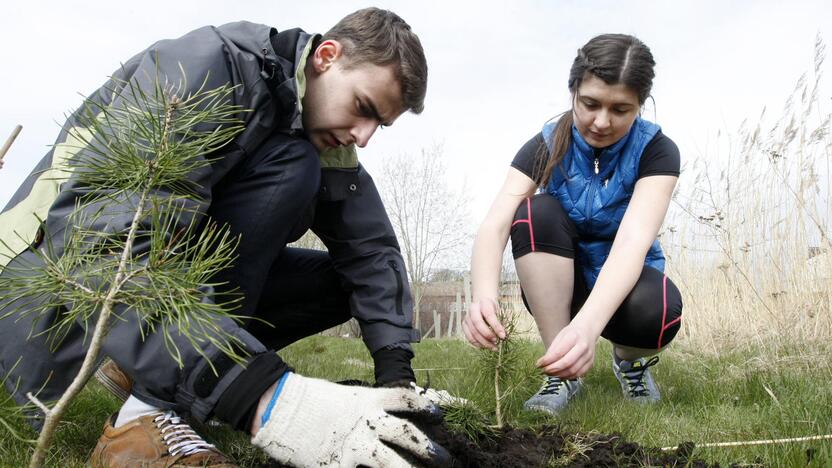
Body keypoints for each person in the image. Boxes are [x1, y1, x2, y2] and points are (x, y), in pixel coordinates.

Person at [0, 8, 451, 467]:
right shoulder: (205, 69)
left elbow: (371, 252)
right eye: (363, 108)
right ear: (326, 57)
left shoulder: (318, 134)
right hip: (39, 287)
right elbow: (102, 247)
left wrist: (397, 380)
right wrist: (263, 399)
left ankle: (151, 374)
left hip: (145, 284)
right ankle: (145, 416)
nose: (364, 136)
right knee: (294, 169)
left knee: (340, 277)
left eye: (381, 125)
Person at [465, 34, 683, 415]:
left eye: (620, 109)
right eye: (590, 104)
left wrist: (586, 329)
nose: (601, 121)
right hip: (563, 283)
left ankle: (629, 363)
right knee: (535, 212)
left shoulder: (658, 151)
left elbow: (633, 241)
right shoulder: (547, 144)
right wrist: (483, 295)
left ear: (640, 106)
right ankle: (562, 371)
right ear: (573, 92)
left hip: (624, 286)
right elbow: (495, 224)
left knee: (661, 310)